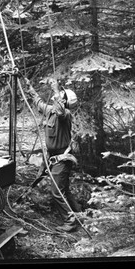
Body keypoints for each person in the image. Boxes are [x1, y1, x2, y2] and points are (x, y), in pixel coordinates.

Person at [24, 78, 81, 232]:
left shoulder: (65, 115)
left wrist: (56, 89)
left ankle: (70, 221)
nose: (56, 99)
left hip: (62, 159)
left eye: (60, 97)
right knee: (64, 189)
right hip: (53, 157)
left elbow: (61, 111)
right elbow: (38, 102)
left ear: (64, 102)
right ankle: (78, 213)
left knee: (57, 192)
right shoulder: (51, 111)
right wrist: (30, 88)